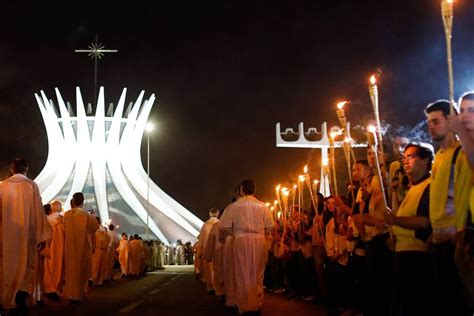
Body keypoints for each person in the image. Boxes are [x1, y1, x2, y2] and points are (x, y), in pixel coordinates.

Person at [425, 100, 472, 315]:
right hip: (438, 239)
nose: (430, 126)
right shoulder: (439, 158)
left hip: (456, 238)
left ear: (449, 121)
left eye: (436, 121)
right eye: (428, 122)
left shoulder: (462, 153)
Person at [384, 142, 435, 315]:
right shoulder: (411, 189)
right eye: (404, 158)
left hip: (417, 255)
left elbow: (423, 222)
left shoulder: (429, 185)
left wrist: (396, 221)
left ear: (426, 160)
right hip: (402, 253)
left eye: (411, 157)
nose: (406, 162)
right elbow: (399, 216)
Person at [0, 158, 52, 312]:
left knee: (7, 266)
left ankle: (7, 299)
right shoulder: (31, 185)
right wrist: (41, 236)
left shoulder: (3, 186)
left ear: (11, 169)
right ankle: (20, 299)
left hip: (6, 236)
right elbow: (38, 212)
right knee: (25, 266)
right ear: (26, 170)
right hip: (26, 237)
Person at [219, 179, 275, 314]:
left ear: (242, 190)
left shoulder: (234, 206)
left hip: (241, 240)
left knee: (241, 271)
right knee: (258, 272)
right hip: (259, 239)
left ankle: (244, 304)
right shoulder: (262, 206)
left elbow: (224, 226)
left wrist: (234, 232)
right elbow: (270, 226)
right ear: (254, 190)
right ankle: (257, 302)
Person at [63, 192, 99, 303]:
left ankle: (70, 294)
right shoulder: (87, 215)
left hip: (69, 247)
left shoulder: (67, 215)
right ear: (82, 202)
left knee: (70, 271)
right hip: (83, 247)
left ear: (73, 201)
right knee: (82, 271)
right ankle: (79, 294)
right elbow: (95, 227)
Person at [44, 200, 65, 301]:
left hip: (48, 247)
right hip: (60, 247)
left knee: (48, 268)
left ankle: (48, 288)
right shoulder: (64, 220)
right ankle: (55, 288)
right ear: (61, 209)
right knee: (58, 267)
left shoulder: (46, 219)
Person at [199, 208, 220, 294]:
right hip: (218, 249)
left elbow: (201, 239)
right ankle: (218, 287)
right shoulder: (220, 224)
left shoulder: (205, 225)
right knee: (218, 269)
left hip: (207, 248)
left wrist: (200, 250)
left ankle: (210, 286)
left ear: (210, 214)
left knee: (209, 269)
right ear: (218, 214)